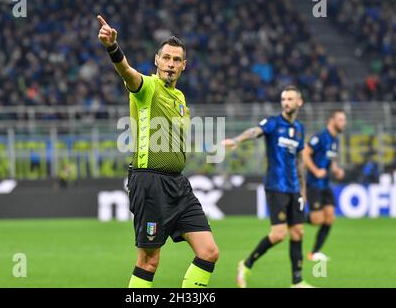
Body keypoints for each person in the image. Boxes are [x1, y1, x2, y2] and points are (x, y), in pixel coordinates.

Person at [97, 15, 219, 288]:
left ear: (184, 66)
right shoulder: (147, 88)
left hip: (178, 185)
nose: (171, 64)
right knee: (149, 261)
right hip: (149, 182)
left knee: (209, 252)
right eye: (166, 58)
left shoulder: (181, 98)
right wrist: (112, 48)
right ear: (157, 60)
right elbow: (127, 72)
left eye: (177, 60)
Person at [223, 86, 313, 288]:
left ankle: (297, 282)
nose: (286, 102)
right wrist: (237, 140)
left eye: (290, 98)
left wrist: (303, 192)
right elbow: (256, 130)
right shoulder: (274, 123)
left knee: (298, 232)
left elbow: (300, 161)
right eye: (283, 99)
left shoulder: (299, 129)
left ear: (299, 102)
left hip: (294, 188)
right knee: (279, 235)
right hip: (276, 186)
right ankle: (246, 264)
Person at [303, 110, 347, 261]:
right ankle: (294, 217)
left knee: (330, 217)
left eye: (344, 120)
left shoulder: (335, 140)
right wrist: (315, 170)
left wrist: (336, 170)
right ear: (332, 120)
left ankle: (314, 253)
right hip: (314, 184)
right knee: (317, 220)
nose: (344, 123)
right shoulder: (320, 137)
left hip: (325, 184)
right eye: (341, 120)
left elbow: (331, 160)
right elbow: (305, 153)